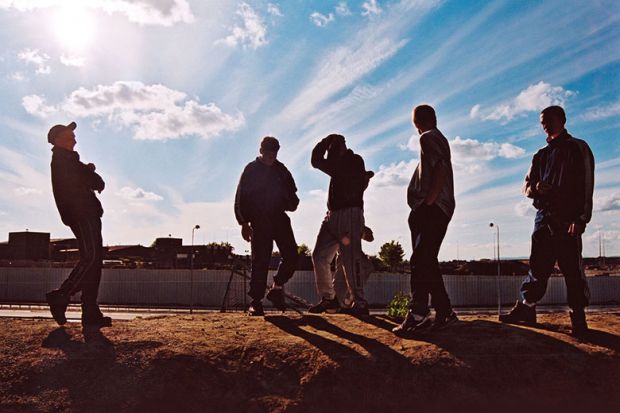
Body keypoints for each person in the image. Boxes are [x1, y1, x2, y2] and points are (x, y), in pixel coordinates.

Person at [499, 106, 594, 337]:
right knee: (538, 267)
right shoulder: (540, 154)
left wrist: (581, 218)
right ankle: (527, 309)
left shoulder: (578, 148)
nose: (545, 125)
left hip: (568, 220)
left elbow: (587, 185)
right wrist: (535, 188)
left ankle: (578, 319)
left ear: (562, 119)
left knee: (571, 268)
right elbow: (526, 186)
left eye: (549, 120)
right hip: (543, 219)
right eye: (542, 121)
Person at [393, 105, 457, 336]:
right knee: (427, 260)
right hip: (434, 208)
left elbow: (440, 168)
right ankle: (445, 311)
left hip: (433, 208)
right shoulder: (436, 139)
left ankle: (418, 314)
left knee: (420, 260)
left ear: (416, 121)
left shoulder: (428, 138)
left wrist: (428, 203)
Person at [45, 121, 111, 328]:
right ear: (58, 140)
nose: (74, 138)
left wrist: (88, 171)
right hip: (82, 214)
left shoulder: (68, 160)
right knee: (91, 258)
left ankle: (90, 312)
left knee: (94, 262)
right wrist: (90, 172)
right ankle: (61, 296)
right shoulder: (64, 160)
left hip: (86, 214)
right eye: (69, 135)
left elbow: (90, 179)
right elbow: (95, 182)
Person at [234, 136, 300, 316]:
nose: (272, 155)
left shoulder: (282, 170)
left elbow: (293, 193)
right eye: (268, 151)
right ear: (261, 150)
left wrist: (291, 202)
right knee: (260, 260)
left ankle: (276, 287)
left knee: (292, 255)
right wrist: (244, 223)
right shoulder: (251, 169)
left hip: (279, 218)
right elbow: (240, 197)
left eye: (275, 151)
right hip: (259, 220)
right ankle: (256, 302)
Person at [309, 134, 371, 316]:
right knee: (319, 255)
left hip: (349, 212)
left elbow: (315, 160)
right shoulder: (340, 164)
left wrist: (325, 141)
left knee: (351, 258)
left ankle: (359, 301)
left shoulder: (352, 161)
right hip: (333, 213)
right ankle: (329, 298)